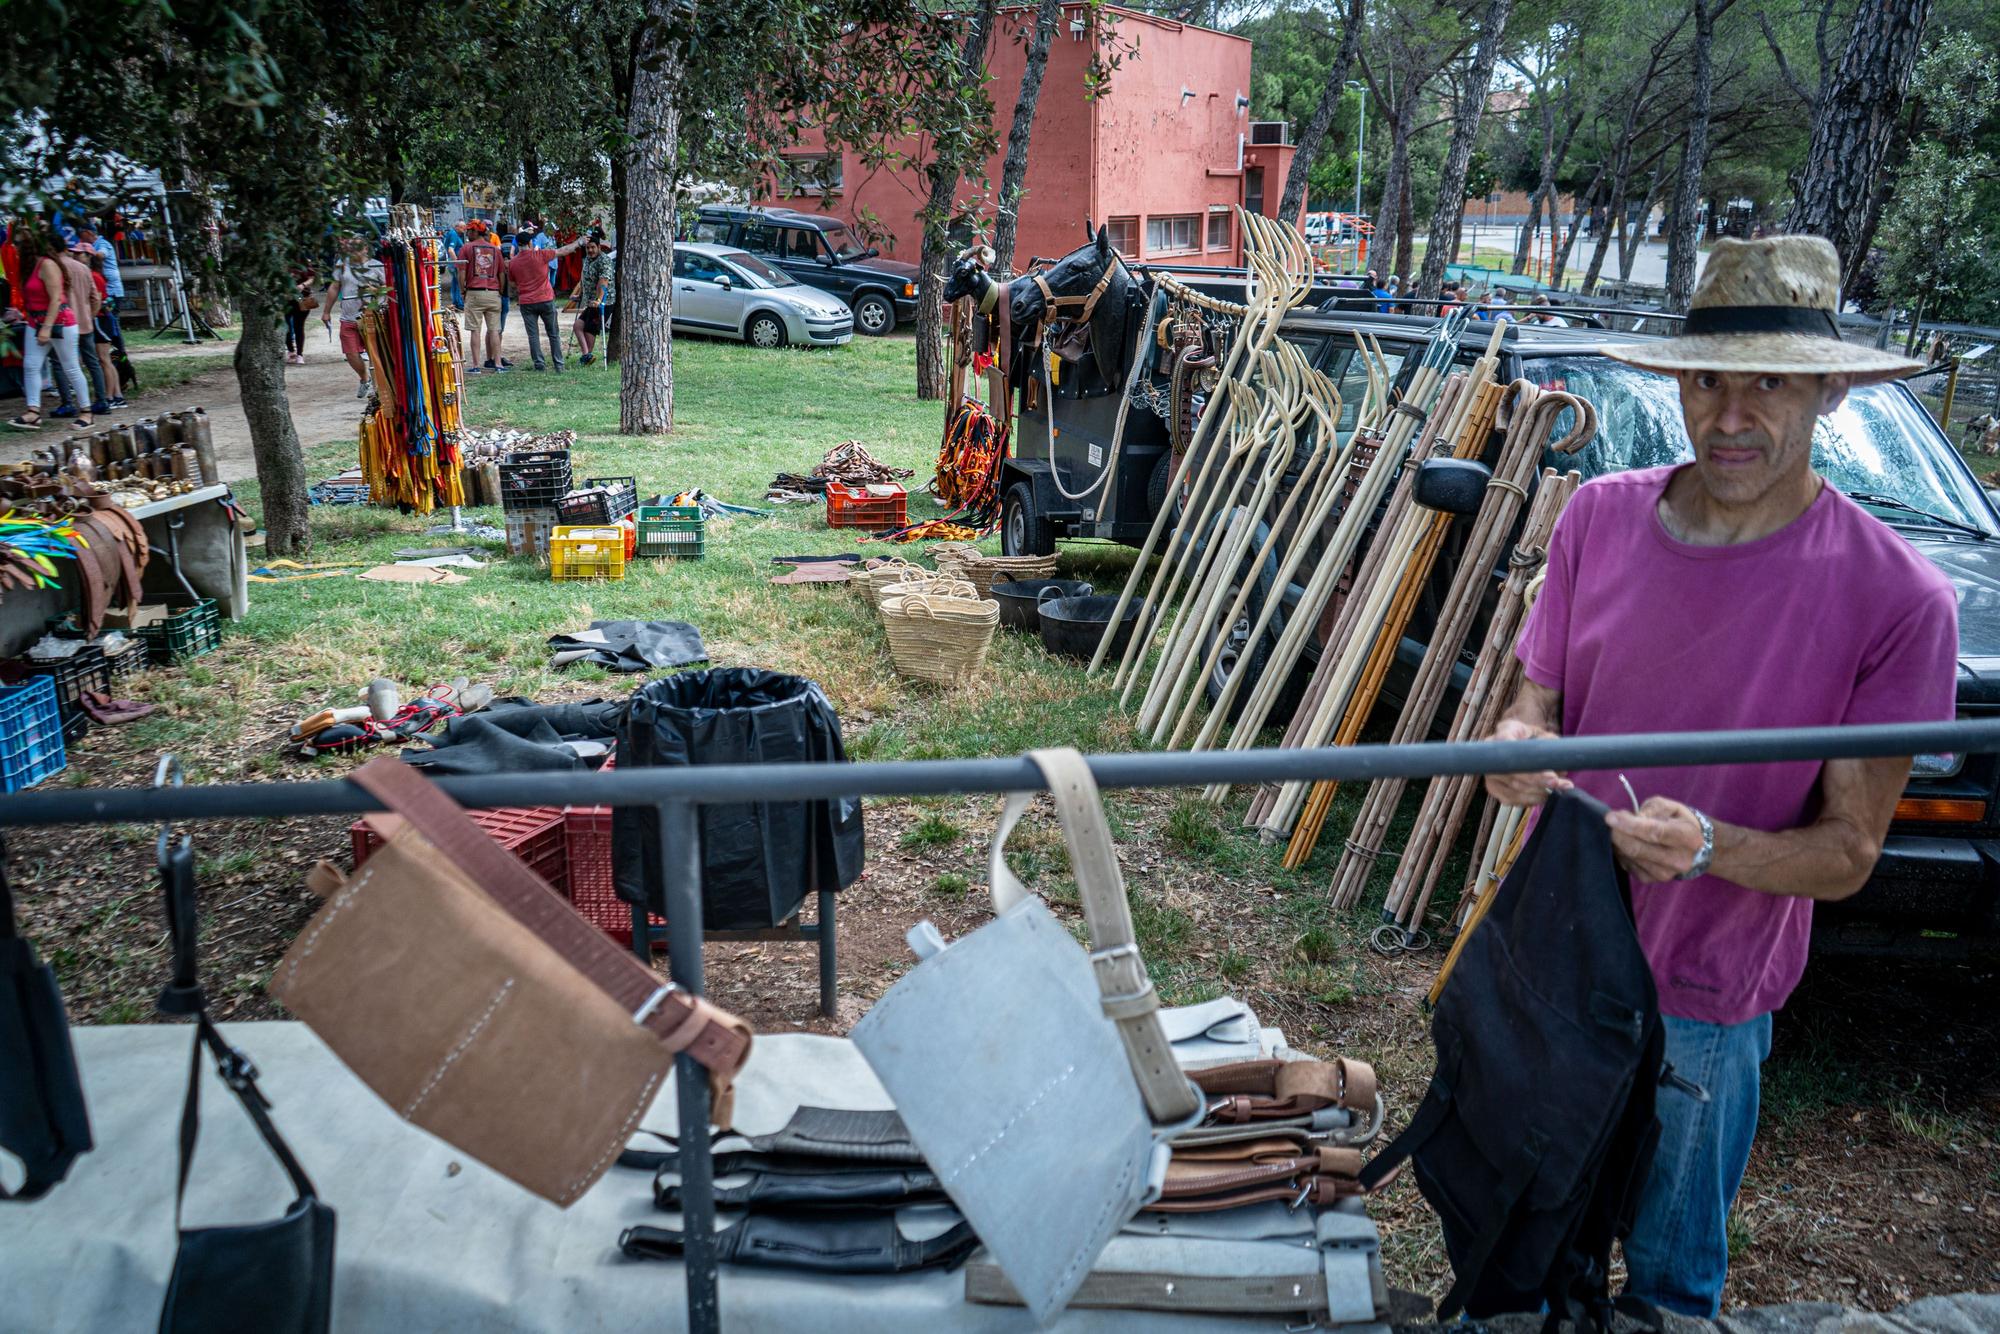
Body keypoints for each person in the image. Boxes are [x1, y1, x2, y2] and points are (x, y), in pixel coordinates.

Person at [1482, 236, 1956, 1318]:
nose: (1729, 414)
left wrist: (1711, 849)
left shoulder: (1898, 599)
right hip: (1551, 955)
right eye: (1706, 378)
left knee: (1666, 1285)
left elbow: (1848, 852)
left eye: (1768, 383)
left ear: (1828, 389)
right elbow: (1530, 703)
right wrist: (1515, 744)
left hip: (1706, 1000)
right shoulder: (1595, 518)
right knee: (1514, 1253)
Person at [6, 225, 94, 431]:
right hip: (35, 321)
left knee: (70, 366)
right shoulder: (29, 266)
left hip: (59, 321)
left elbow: (56, 299)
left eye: (19, 244)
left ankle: (87, 412)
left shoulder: (47, 265)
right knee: (31, 366)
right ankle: (33, 412)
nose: (16, 248)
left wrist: (46, 327)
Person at [504, 228, 586, 372]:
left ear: (517, 245)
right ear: (530, 243)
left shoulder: (513, 263)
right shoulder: (541, 255)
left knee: (533, 335)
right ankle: (559, 365)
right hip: (545, 299)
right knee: (553, 334)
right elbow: (563, 250)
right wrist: (579, 242)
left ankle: (539, 365)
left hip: (526, 302)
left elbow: (512, 284)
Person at [320, 235, 384, 400]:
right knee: (351, 353)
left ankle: (377, 388)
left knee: (374, 353)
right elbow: (334, 287)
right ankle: (364, 378)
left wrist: (376, 291)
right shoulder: (342, 266)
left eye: (357, 247)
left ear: (365, 249)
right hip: (348, 317)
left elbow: (388, 287)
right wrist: (326, 311)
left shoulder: (376, 265)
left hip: (371, 316)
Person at [53, 243, 110, 418]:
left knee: (59, 363)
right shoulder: (84, 269)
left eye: (80, 253)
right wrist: (90, 315)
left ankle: (67, 403)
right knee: (92, 362)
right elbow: (95, 297)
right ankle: (101, 400)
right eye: (76, 252)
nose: (78, 255)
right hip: (85, 322)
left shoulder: (54, 267)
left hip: (63, 322)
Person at [458, 220, 507, 374]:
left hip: (474, 292)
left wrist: (463, 291)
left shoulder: (466, 248)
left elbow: (461, 272)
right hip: (493, 293)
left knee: (475, 331)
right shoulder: (495, 249)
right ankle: (498, 364)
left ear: (475, 232)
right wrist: (500, 291)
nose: (467, 234)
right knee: (494, 330)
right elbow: (501, 273)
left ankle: (476, 365)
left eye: (469, 231)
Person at [569, 231, 616, 366]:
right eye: (588, 247)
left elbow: (603, 281)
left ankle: (586, 358)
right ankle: (586, 355)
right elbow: (585, 279)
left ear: (599, 247)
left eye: (592, 247)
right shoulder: (588, 260)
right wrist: (580, 295)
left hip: (603, 302)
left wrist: (599, 299)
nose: (590, 250)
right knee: (578, 326)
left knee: (590, 329)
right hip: (590, 301)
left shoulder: (604, 260)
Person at [286, 265, 317, 364]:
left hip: (302, 299)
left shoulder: (304, 261)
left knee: (298, 326)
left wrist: (302, 286)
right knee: (285, 326)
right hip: (285, 300)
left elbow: (312, 278)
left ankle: (300, 354)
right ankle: (291, 350)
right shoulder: (281, 259)